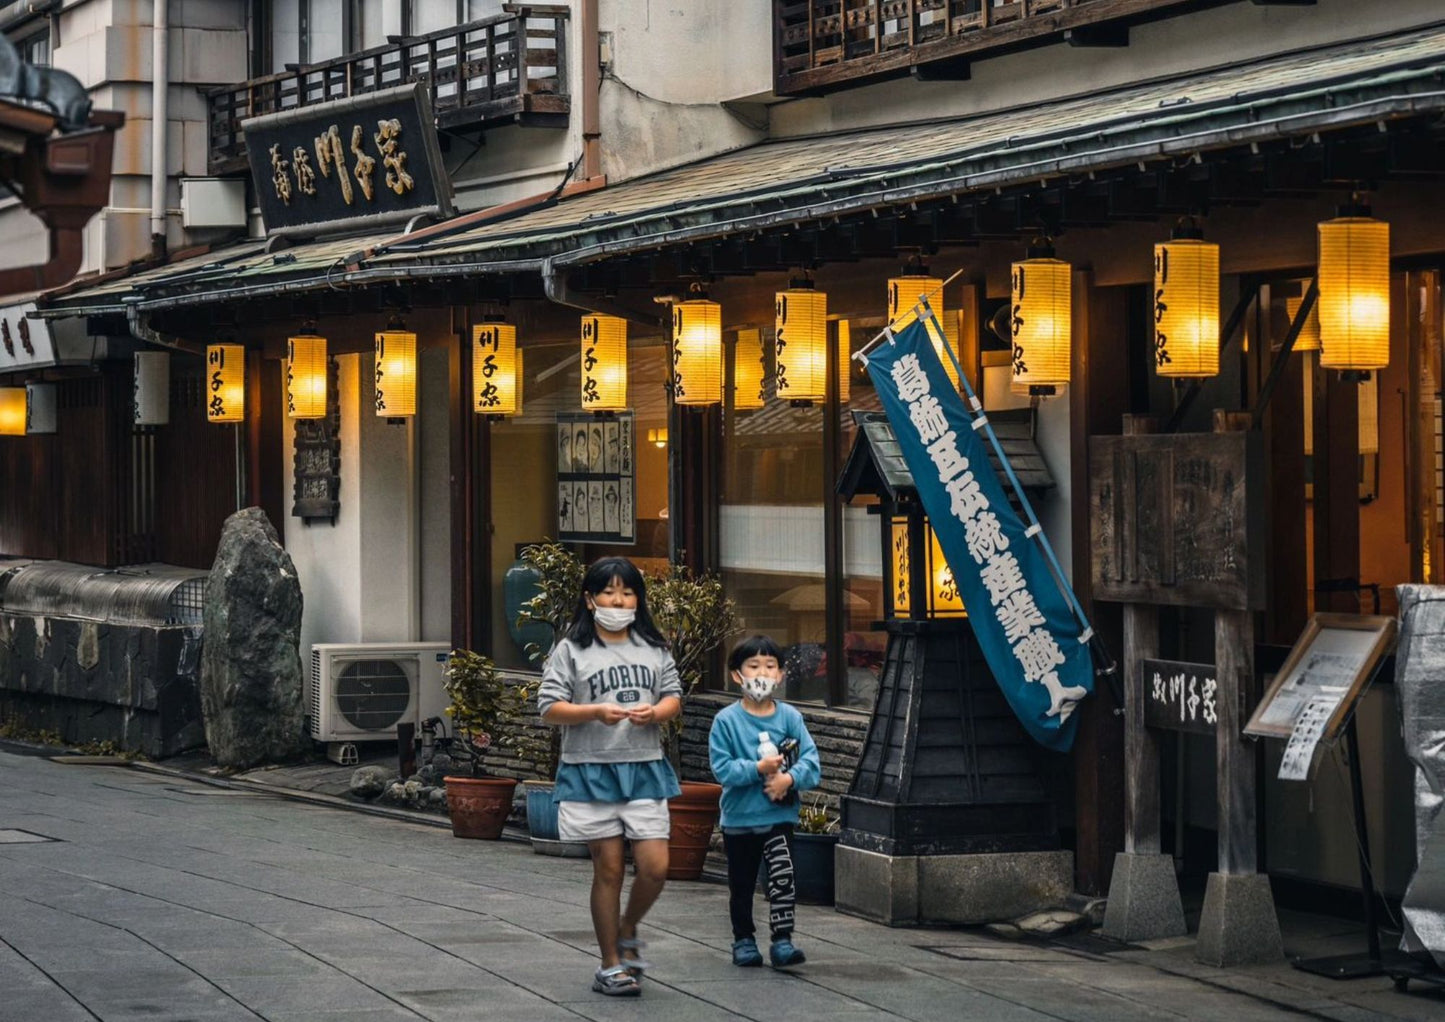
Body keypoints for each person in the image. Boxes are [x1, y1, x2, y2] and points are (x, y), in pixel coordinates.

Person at [537, 556, 683, 997]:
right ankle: (611, 964)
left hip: (644, 767)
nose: (618, 600)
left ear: (639, 598)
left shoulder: (654, 647)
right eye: (608, 592)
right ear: (590, 599)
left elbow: (674, 697)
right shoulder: (571, 650)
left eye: (627, 592)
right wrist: (595, 711)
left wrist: (655, 712)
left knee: (656, 867)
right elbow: (549, 707)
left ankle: (628, 925)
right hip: (590, 771)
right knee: (610, 869)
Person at [708, 634, 821, 970]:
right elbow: (722, 769)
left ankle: (782, 940)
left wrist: (789, 778)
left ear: (781, 675)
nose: (762, 673)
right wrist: (758, 769)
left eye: (770, 666)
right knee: (741, 884)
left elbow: (811, 762)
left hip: (778, 816)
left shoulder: (790, 718)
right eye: (753, 666)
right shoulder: (726, 721)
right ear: (736, 675)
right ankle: (743, 939)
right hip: (740, 818)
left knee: (782, 875)